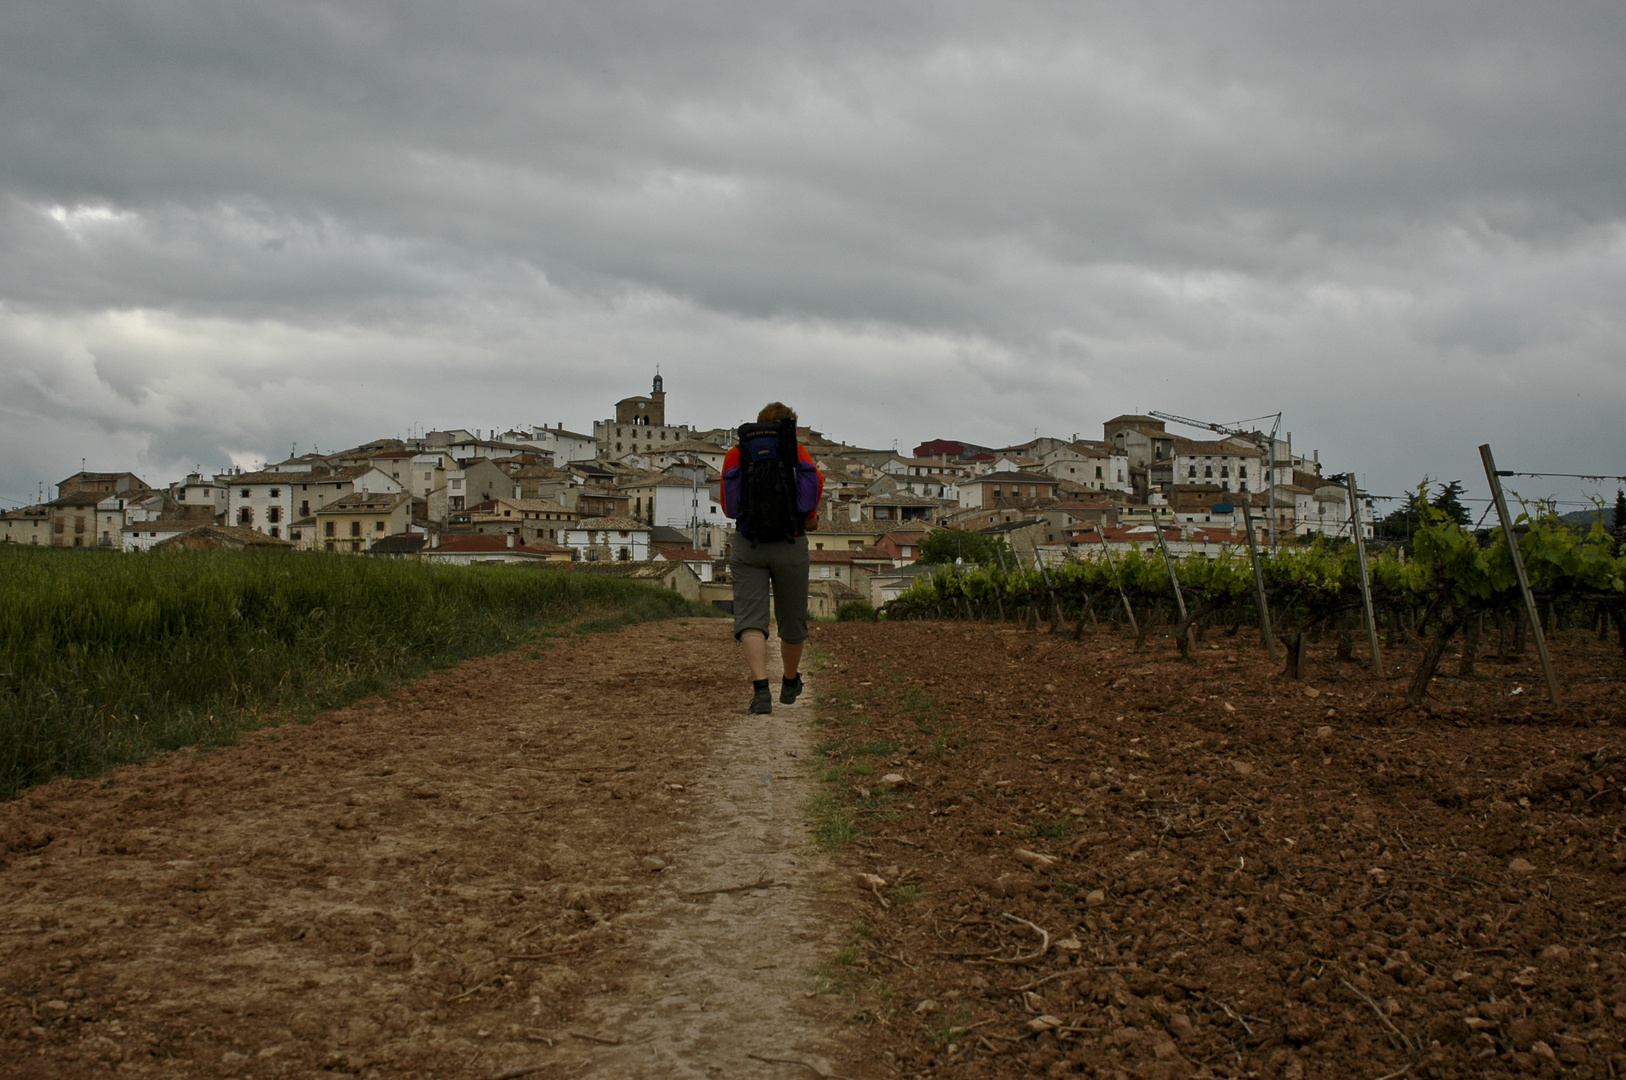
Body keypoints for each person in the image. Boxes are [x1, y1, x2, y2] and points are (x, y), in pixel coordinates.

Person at [720, 402, 824, 714]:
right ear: (788, 425)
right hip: (790, 542)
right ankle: (790, 682)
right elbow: (814, 486)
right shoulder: (798, 451)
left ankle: (761, 691)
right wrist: (810, 515)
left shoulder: (736, 453)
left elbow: (729, 508)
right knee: (791, 620)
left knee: (751, 621)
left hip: (748, 544)